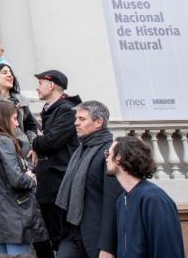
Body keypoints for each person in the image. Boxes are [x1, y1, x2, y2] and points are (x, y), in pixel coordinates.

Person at [0, 99, 49, 258]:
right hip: (13, 212)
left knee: (3, 254)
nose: (17, 124)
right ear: (2, 118)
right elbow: (17, 180)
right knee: (18, 254)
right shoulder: (4, 141)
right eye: (14, 118)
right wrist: (30, 178)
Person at [54, 100, 121, 258]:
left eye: (82, 119)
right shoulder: (80, 150)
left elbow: (111, 203)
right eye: (76, 119)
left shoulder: (109, 152)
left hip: (95, 238)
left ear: (98, 122)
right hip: (71, 233)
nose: (76, 123)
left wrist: (108, 247)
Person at [106, 136, 185, 258]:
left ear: (119, 157)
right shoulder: (122, 200)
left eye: (108, 153)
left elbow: (168, 250)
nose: (106, 158)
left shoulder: (154, 199)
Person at [30, 70, 81, 258]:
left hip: (59, 183)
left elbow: (51, 142)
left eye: (40, 83)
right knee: (47, 236)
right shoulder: (51, 109)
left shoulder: (65, 109)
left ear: (51, 85)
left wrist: (36, 143)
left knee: (60, 237)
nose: (37, 87)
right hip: (49, 184)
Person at [0, 63, 39, 146]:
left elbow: (30, 125)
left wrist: (33, 144)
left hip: (22, 146)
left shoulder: (21, 100)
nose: (10, 75)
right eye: (4, 73)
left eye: (10, 73)